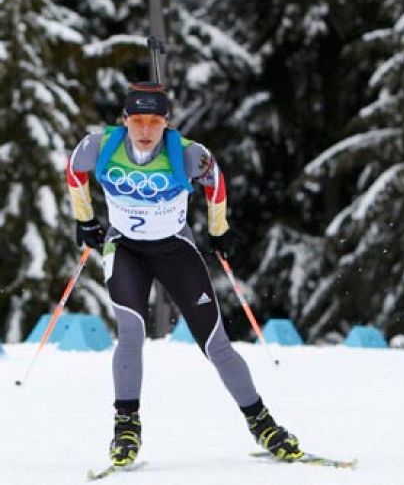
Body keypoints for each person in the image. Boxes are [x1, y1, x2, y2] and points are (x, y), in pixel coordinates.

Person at [66, 82, 304, 466]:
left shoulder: (190, 154)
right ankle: (126, 427)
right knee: (130, 333)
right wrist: (85, 220)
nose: (145, 130)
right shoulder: (100, 146)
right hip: (124, 249)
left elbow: (216, 183)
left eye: (154, 121)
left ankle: (263, 424)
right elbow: (74, 171)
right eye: (138, 121)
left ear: (167, 122)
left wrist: (218, 230)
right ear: (124, 120)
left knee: (216, 344)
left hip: (175, 251)